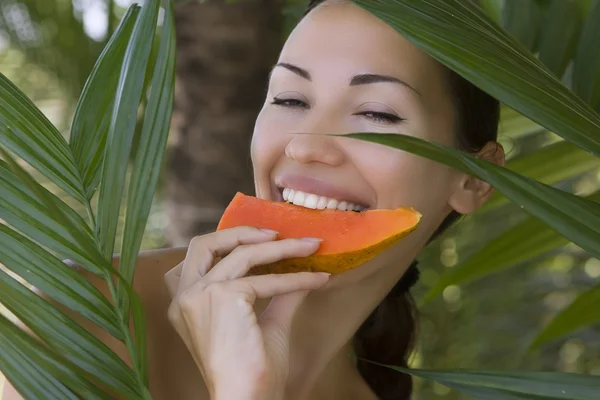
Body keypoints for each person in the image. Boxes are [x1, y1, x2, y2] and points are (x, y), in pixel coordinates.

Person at [3, 0, 505, 399]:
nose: (305, 143)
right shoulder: (66, 322)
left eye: (377, 114)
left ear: (474, 179)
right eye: (289, 99)